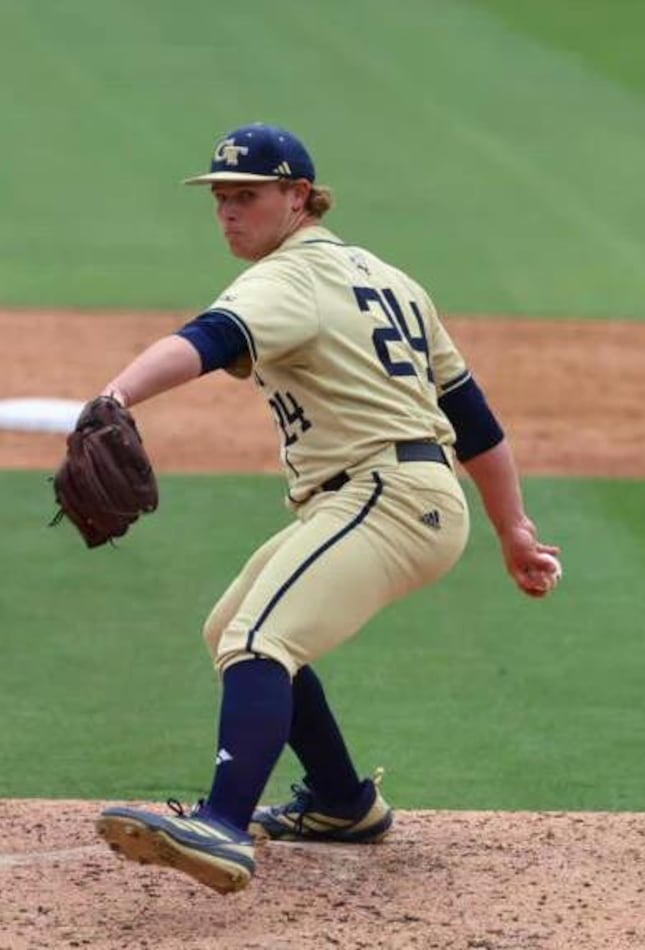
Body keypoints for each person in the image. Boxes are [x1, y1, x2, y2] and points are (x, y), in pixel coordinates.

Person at [95, 123, 560, 894]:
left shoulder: (289, 278)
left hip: (385, 496)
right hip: (401, 497)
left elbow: (209, 339)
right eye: (219, 198)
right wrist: (513, 527)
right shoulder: (390, 279)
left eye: (246, 197)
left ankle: (220, 826)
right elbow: (472, 419)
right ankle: (344, 802)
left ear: (298, 197)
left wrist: (114, 395)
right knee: (232, 630)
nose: (228, 213)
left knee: (257, 637)